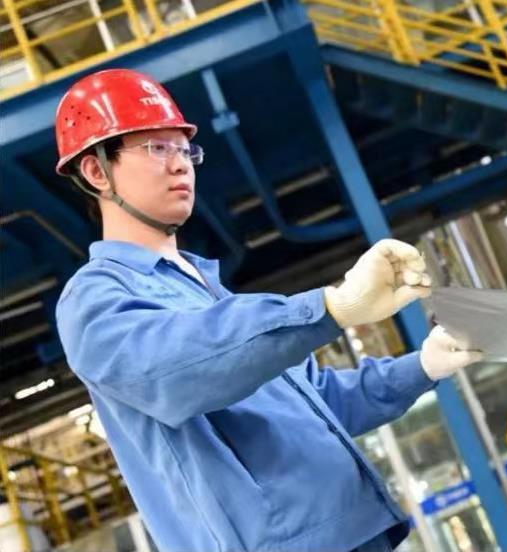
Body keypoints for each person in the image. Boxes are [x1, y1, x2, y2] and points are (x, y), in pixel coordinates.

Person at [54, 69, 482, 552]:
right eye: (157, 148)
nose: (180, 166)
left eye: (186, 150)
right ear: (97, 172)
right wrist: (332, 306)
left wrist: (423, 365)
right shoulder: (95, 301)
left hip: (354, 532)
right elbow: (177, 370)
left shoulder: (206, 290)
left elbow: (321, 405)